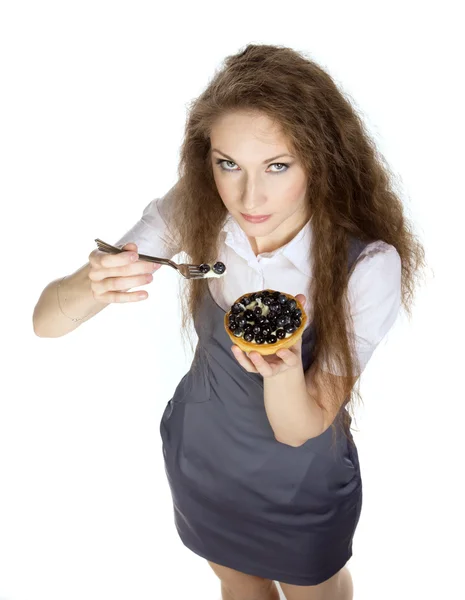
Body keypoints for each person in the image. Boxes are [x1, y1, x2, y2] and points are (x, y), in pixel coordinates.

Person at [33, 44, 426, 600]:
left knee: (315, 589)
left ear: (322, 158)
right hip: (204, 459)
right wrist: (90, 282)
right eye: (228, 165)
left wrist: (281, 371)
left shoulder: (368, 264)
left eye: (277, 166)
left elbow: (298, 429)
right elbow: (45, 324)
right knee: (237, 585)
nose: (249, 195)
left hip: (301, 483)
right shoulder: (195, 211)